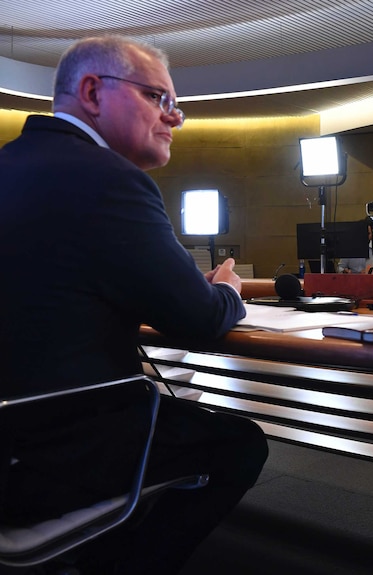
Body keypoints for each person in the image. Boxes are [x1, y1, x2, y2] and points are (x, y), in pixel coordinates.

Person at [0, 36, 268, 574]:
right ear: (93, 92)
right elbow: (199, 319)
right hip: (52, 452)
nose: (176, 119)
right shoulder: (109, 179)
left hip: (12, 442)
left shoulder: (11, 163)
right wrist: (229, 293)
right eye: (157, 98)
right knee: (240, 443)